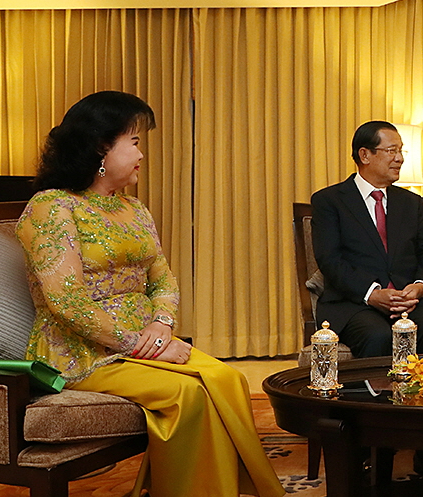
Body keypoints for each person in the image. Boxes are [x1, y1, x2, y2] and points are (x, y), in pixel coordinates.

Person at [17, 91, 284, 497]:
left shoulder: (134, 209)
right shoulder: (52, 207)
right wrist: (140, 346)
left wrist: (161, 326)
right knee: (187, 393)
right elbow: (67, 301)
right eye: (136, 142)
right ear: (100, 148)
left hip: (146, 341)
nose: (142, 153)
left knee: (227, 379)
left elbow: (163, 280)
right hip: (81, 352)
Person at [310, 120, 423, 477]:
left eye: (401, 151)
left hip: (408, 301)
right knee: (376, 336)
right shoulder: (330, 201)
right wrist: (373, 294)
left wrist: (419, 287)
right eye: (392, 151)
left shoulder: (408, 202)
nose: (400, 158)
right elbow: (331, 260)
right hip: (354, 303)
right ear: (364, 154)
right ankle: (368, 441)